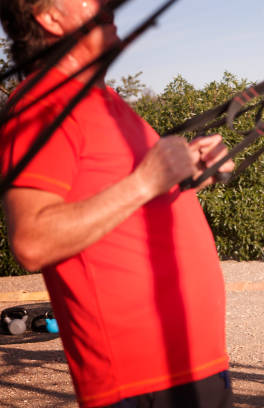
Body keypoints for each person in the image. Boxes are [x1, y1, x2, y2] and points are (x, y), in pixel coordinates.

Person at [0, 1, 234, 407]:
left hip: (195, 358)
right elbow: (32, 239)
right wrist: (145, 181)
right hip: (138, 379)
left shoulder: (105, 102)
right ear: (50, 16)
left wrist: (188, 174)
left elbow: (128, 207)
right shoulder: (43, 104)